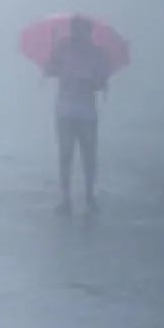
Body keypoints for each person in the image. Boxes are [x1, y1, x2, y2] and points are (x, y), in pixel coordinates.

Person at [46, 17, 111, 214]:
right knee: (65, 155)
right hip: (65, 110)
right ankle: (65, 197)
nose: (78, 35)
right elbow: (49, 70)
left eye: (82, 30)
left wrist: (91, 82)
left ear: (89, 32)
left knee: (88, 156)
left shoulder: (97, 54)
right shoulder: (62, 48)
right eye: (75, 30)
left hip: (86, 112)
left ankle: (89, 195)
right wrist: (55, 62)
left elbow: (102, 81)